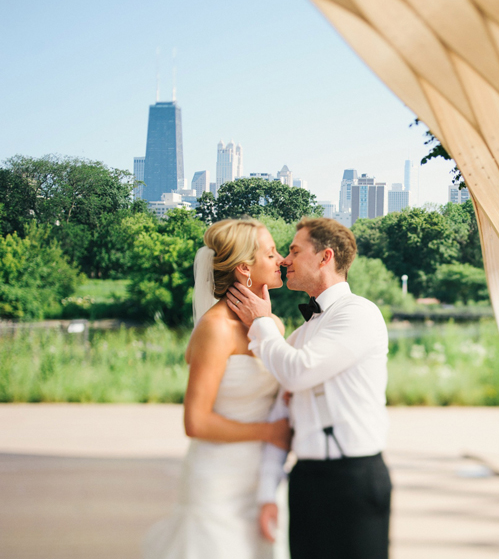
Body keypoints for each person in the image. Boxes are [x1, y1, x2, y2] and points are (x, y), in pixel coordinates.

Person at [226, 217, 392, 559]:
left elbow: (297, 373)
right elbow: (281, 413)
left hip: (354, 478)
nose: (285, 260)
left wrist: (261, 322)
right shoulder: (299, 336)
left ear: (324, 257)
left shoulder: (360, 314)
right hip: (305, 481)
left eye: (294, 250)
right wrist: (268, 493)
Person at [143, 218, 292, 559]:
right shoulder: (215, 329)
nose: (281, 259)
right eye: (271, 254)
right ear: (245, 269)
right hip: (218, 481)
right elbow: (195, 422)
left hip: (263, 480)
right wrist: (270, 432)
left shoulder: (273, 325)